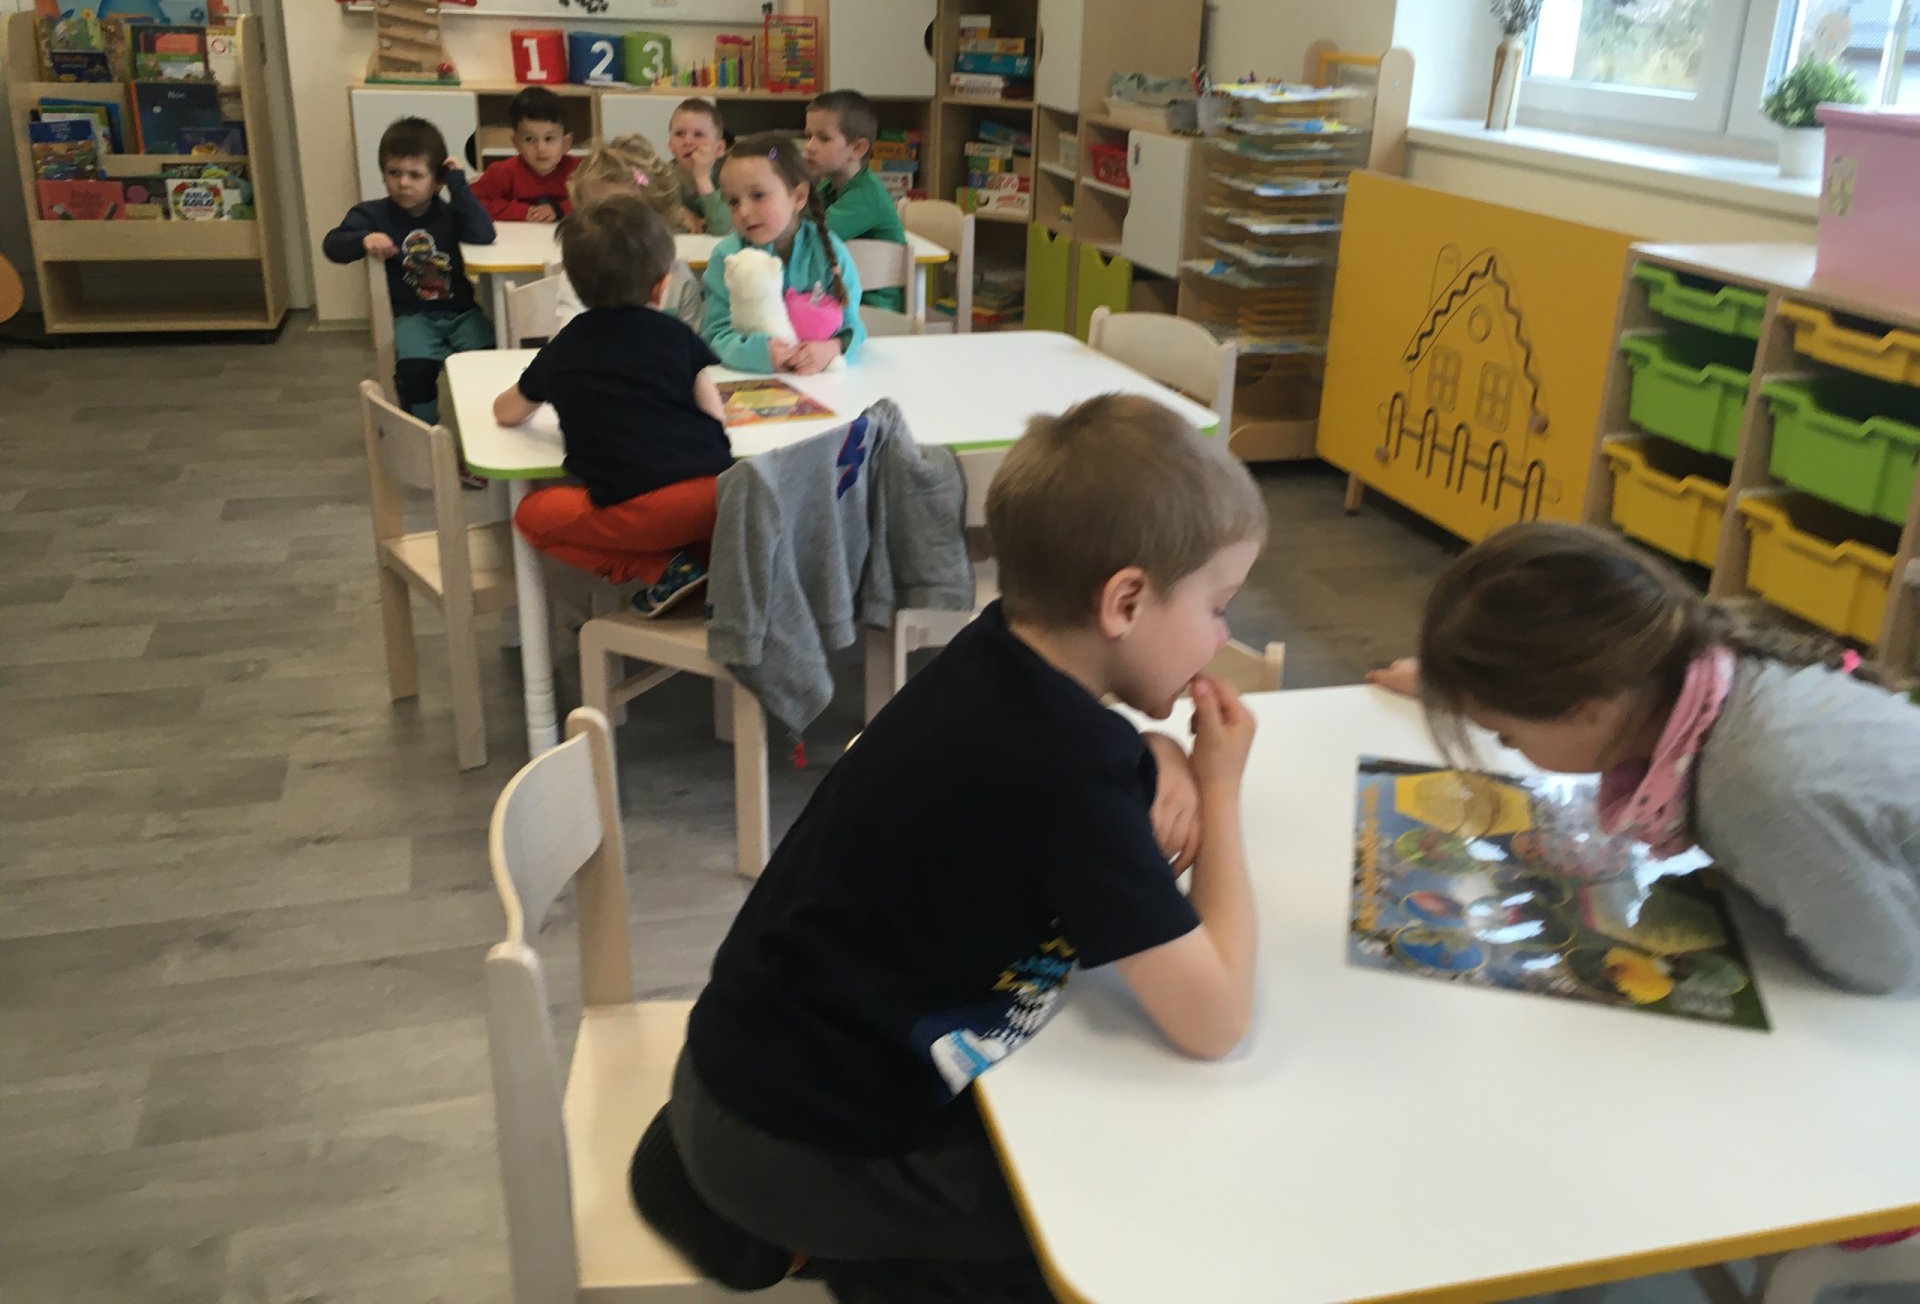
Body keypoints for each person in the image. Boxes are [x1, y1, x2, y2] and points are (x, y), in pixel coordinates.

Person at [633, 393, 1267, 1300]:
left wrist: (1156, 754)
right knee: (1110, 1207)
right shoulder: (1068, 773)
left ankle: (799, 1225)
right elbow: (1216, 1020)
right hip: (799, 1149)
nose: (1224, 636)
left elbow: (1069, 766)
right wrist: (1219, 788)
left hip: (740, 1072)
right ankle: (814, 1244)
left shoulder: (997, 653)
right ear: (1126, 600)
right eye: (1218, 605)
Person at [1368, 521, 1920, 996]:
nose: (1509, 747)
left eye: (1506, 736)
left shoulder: (1755, 791)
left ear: (1587, 710)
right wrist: (1462, 691)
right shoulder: (1705, 667)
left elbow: (1882, 965)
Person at [493, 194, 733, 615]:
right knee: (681, 522)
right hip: (719, 495)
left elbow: (507, 412)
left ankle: (661, 569)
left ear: (575, 285)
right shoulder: (677, 334)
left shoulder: (566, 347)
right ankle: (707, 572)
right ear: (661, 284)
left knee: (531, 515)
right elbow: (716, 416)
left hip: (641, 509)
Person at [323, 116, 495, 424]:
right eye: (394, 173)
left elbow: (484, 234)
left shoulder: (450, 214)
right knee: (414, 370)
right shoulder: (372, 214)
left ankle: (481, 426)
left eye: (415, 175)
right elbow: (332, 245)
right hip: (412, 316)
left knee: (488, 360)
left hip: (461, 313)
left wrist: (458, 185)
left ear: (437, 180)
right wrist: (363, 239)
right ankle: (423, 432)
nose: (403, 183)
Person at [702, 133, 863, 375]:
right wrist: (760, 352)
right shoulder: (727, 257)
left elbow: (852, 325)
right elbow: (715, 334)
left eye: (758, 195)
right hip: (752, 381)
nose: (744, 211)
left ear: (798, 197)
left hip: (820, 382)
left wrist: (833, 348)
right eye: (733, 201)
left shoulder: (830, 251)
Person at [551, 134, 704, 332]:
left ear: (660, 220)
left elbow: (692, 344)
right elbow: (574, 340)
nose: (615, 231)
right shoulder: (581, 276)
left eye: (630, 221)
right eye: (600, 218)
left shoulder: (678, 280)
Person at [804, 89, 908, 312]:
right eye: (808, 136)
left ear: (858, 149)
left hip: (873, 309)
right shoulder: (829, 185)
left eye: (823, 138)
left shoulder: (865, 196)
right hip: (840, 298)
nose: (809, 147)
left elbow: (809, 237)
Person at [472, 85, 578, 222]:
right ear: (516, 143)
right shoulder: (502, 173)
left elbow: (597, 200)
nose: (540, 148)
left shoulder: (580, 171)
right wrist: (522, 212)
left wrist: (559, 209)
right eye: (529, 139)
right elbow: (471, 202)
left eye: (549, 139)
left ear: (566, 143)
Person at [667, 97, 731, 234]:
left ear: (719, 148)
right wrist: (677, 212)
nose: (687, 141)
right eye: (679, 134)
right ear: (671, 146)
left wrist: (702, 178)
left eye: (698, 134)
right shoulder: (662, 175)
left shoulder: (730, 176)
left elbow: (723, 229)